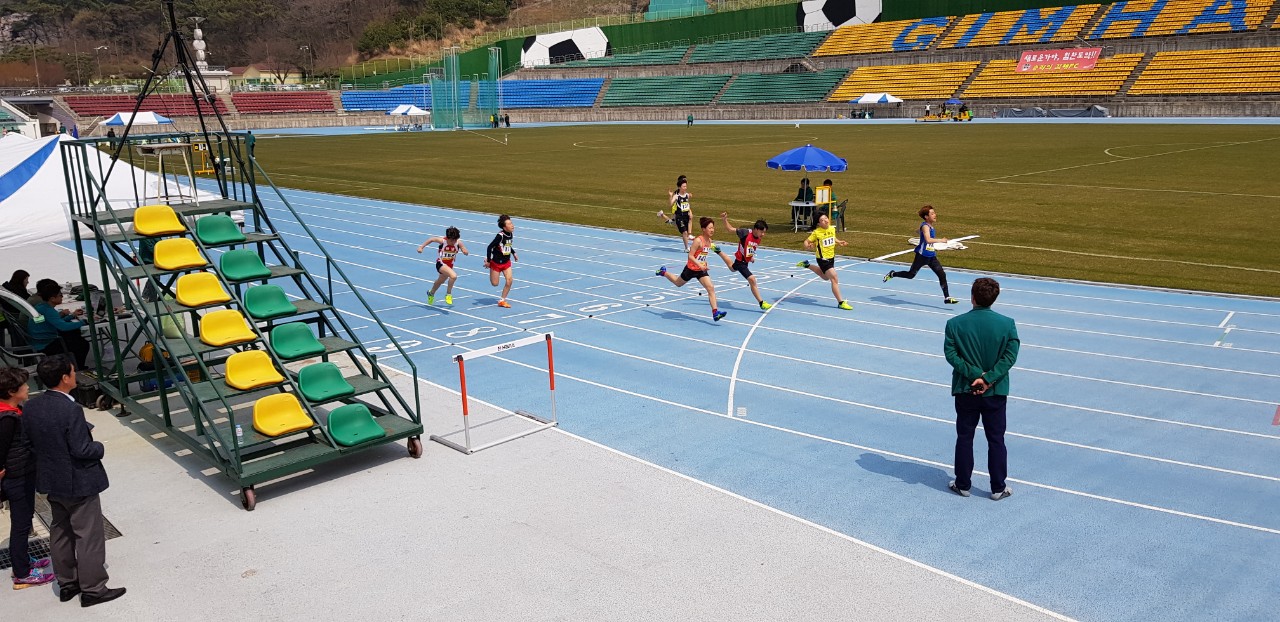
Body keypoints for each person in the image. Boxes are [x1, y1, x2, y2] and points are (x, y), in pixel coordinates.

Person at [22, 355, 126, 606]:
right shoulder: (71, 409)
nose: (75, 375)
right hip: (79, 481)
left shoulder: (32, 406)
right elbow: (81, 449)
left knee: (60, 531)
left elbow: (28, 443)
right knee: (88, 535)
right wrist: (99, 446)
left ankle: (67, 583)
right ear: (64, 378)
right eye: (72, 372)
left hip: (51, 479)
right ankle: (93, 589)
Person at [944, 277, 1020, 501]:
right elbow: (1010, 357)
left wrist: (975, 375)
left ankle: (962, 484)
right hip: (995, 392)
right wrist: (989, 379)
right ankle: (998, 487)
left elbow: (951, 355)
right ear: (994, 299)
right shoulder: (1007, 324)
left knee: (965, 437)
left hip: (965, 389)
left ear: (972, 297)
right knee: (996, 439)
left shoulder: (954, 324)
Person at [1, 366, 55, 590]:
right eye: (23, 385)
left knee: (23, 521)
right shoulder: (7, 418)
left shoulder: (13, 411)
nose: (27, 387)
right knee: (21, 524)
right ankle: (22, 573)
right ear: (12, 391)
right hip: (17, 477)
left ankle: (23, 561)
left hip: (22, 473)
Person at [883, 205, 960, 304]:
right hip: (922, 256)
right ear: (926, 217)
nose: (935, 215)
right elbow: (928, 240)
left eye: (934, 213)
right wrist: (941, 240)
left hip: (931, 256)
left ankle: (947, 297)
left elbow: (920, 232)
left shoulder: (929, 226)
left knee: (942, 274)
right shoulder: (925, 226)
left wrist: (920, 231)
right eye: (932, 214)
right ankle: (893, 274)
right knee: (911, 275)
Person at [656, 217, 726, 322]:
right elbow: (690, 256)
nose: (712, 230)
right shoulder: (698, 241)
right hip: (691, 269)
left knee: (710, 288)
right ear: (703, 229)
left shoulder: (710, 241)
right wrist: (700, 265)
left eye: (713, 228)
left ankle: (715, 313)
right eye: (710, 228)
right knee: (678, 283)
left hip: (701, 271)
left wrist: (704, 264)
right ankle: (663, 272)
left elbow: (702, 255)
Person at [712, 212, 772, 310]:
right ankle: (761, 303)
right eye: (762, 232)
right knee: (752, 279)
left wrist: (750, 257)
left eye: (764, 232)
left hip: (744, 261)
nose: (763, 234)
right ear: (756, 229)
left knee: (732, 268)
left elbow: (749, 248)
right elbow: (730, 229)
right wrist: (724, 219)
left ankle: (718, 251)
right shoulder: (745, 233)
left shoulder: (758, 238)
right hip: (741, 262)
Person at [27, 281, 90, 368]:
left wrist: (72, 316)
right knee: (83, 344)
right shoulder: (49, 311)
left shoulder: (41, 306)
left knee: (74, 333)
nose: (62, 297)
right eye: (60, 295)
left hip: (40, 339)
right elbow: (63, 327)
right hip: (46, 344)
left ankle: (74, 364)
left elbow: (54, 321)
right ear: (52, 299)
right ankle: (79, 367)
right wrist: (84, 322)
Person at [796, 213, 853, 310]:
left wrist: (839, 242)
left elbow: (832, 238)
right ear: (819, 223)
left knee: (825, 277)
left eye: (826, 218)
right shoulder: (817, 232)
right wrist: (808, 246)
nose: (825, 220)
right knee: (834, 278)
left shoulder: (832, 229)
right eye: (822, 220)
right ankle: (841, 302)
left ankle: (807, 265)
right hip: (823, 259)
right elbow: (806, 242)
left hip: (831, 257)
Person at [417, 226, 470, 306]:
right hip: (441, 263)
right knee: (453, 276)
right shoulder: (443, 241)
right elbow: (432, 239)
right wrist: (421, 247)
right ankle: (448, 294)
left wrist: (465, 251)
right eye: (452, 240)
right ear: (447, 238)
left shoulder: (458, 242)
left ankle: (431, 293)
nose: (453, 242)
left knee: (440, 281)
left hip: (449, 266)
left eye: (455, 240)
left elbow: (463, 248)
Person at [484, 215, 518, 308]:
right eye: (509, 224)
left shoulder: (510, 234)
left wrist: (513, 253)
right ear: (504, 227)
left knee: (509, 280)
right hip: (496, 263)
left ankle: (502, 300)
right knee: (495, 284)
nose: (512, 225)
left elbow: (507, 246)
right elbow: (489, 247)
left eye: (512, 223)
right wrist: (488, 260)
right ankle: (490, 265)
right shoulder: (500, 236)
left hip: (506, 262)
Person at [662, 178, 694, 253]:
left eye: (686, 186)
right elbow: (670, 204)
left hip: (686, 216)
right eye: (684, 186)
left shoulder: (687, 195)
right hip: (679, 216)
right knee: (684, 232)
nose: (685, 188)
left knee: (685, 232)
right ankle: (687, 248)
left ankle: (666, 218)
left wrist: (689, 211)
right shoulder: (676, 196)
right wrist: (670, 196)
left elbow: (687, 204)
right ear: (679, 187)